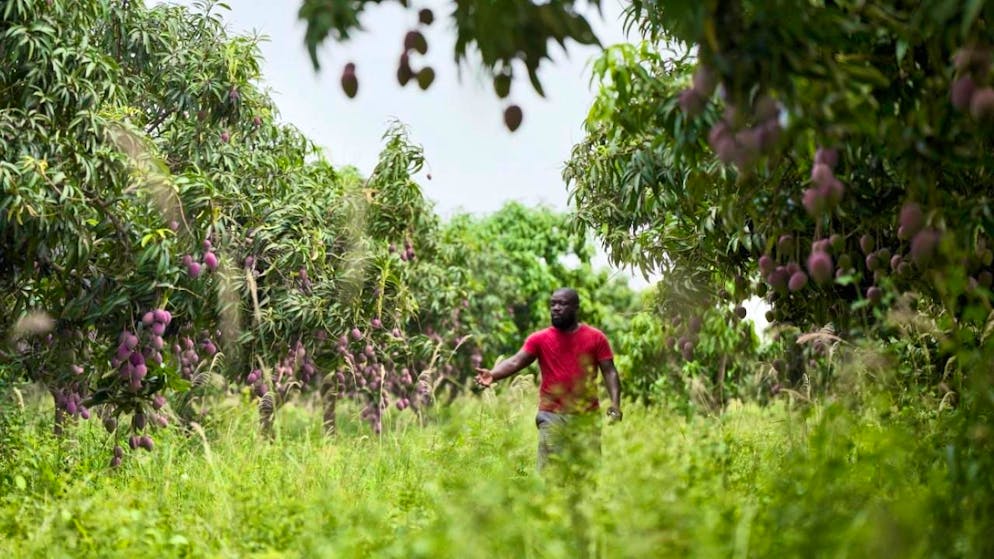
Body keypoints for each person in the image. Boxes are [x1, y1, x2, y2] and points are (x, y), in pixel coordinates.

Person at [474, 287, 623, 475]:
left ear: (576, 307)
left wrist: (615, 404)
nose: (556, 308)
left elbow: (609, 372)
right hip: (552, 416)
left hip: (586, 417)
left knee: (586, 475)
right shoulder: (539, 339)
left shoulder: (596, 338)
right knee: (551, 475)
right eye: (553, 304)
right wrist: (493, 374)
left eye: (562, 304)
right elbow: (516, 361)